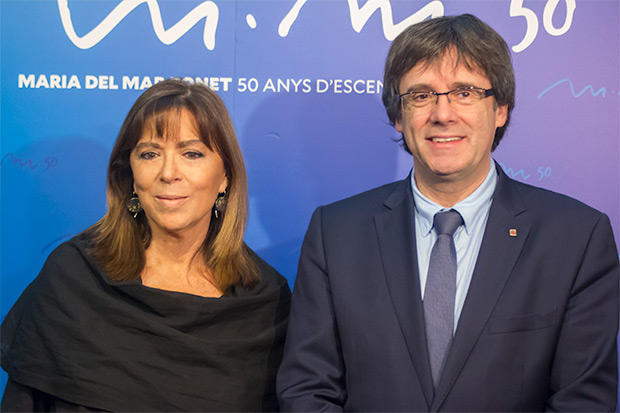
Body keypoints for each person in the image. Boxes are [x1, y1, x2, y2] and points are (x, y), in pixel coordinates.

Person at [277, 14, 619, 411]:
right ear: (398, 116)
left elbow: (582, 402)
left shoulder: (576, 238)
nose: (443, 114)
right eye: (421, 95)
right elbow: (307, 390)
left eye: (465, 92)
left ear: (501, 109)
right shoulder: (334, 234)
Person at [1, 79, 291, 412]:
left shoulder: (266, 303)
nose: (169, 173)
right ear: (130, 174)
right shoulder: (72, 278)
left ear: (225, 176)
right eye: (150, 154)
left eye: (192, 153)